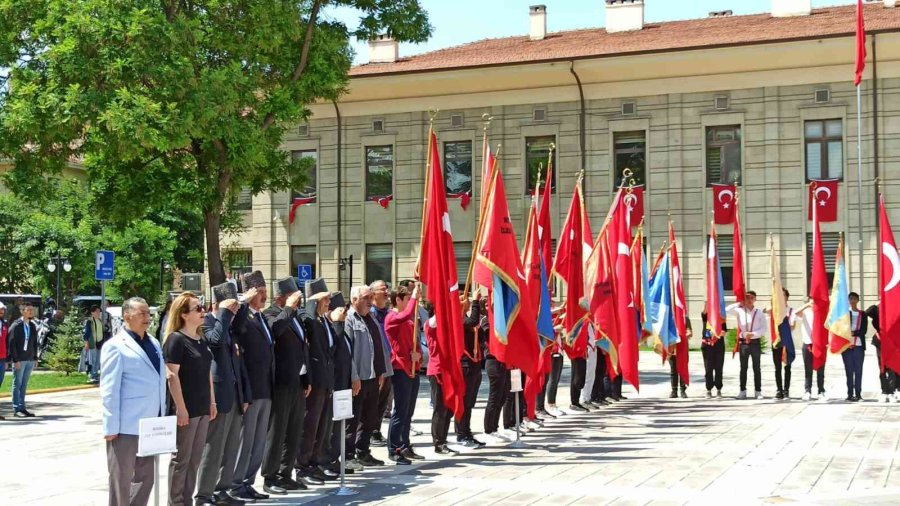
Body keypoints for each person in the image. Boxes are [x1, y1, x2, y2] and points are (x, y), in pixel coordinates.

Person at [101, 297, 167, 506]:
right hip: (125, 426)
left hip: (150, 423)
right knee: (121, 479)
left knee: (145, 478)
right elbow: (109, 389)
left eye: (148, 313)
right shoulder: (115, 346)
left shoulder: (154, 343)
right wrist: (111, 426)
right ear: (127, 316)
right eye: (142, 314)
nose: (147, 318)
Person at [195, 282, 252, 506]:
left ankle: (222, 490)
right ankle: (204, 495)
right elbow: (216, 342)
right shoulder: (208, 321)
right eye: (231, 307)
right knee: (213, 448)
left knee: (230, 447)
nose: (234, 311)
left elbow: (239, 340)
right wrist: (224, 312)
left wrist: (241, 306)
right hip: (218, 395)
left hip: (234, 393)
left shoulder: (229, 324)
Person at [162, 292, 216, 506]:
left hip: (203, 406)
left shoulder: (200, 339)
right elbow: (172, 377)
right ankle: (175, 502)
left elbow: (207, 374)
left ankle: (187, 500)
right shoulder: (176, 340)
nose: (203, 311)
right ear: (184, 315)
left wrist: (212, 402)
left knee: (195, 459)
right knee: (181, 460)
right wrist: (180, 408)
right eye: (198, 309)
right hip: (187, 408)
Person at [260, 277, 311, 493]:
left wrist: (306, 378)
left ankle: (285, 472)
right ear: (280, 297)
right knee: (277, 431)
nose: (297, 301)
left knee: (294, 429)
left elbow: (303, 346)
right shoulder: (271, 314)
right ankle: (270, 476)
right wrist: (289, 309)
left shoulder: (295, 316)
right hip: (281, 382)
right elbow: (276, 330)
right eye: (292, 296)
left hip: (297, 381)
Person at [228, 271, 275, 501]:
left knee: (258, 441)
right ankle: (236, 484)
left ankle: (248, 481)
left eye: (266, 291)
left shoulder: (261, 317)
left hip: (266, 387)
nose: (264, 296)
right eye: (260, 292)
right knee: (245, 442)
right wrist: (244, 301)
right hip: (252, 389)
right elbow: (234, 328)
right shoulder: (243, 317)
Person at [296, 279, 339, 483]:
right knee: (310, 426)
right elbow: (307, 321)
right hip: (315, 380)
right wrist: (311, 302)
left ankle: (314, 463)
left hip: (327, 380)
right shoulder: (308, 318)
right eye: (325, 299)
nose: (329, 302)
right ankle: (302, 467)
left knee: (322, 426)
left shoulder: (324, 320)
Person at [346, 285, 390, 467]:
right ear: (354, 299)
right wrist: (353, 376)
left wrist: (381, 372)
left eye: (371, 297)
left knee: (369, 417)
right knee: (353, 419)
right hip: (358, 378)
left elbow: (378, 347)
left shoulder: (370, 318)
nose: (370, 302)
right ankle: (348, 455)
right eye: (366, 298)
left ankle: (363, 451)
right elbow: (347, 352)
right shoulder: (349, 319)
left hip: (373, 377)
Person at [385, 284, 424, 464]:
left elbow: (415, 343)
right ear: (398, 300)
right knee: (400, 411)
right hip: (400, 369)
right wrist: (415, 297)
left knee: (408, 411)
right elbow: (405, 314)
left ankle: (405, 445)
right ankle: (394, 449)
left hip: (412, 368)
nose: (411, 303)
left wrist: (418, 355)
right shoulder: (392, 318)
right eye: (407, 299)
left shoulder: (408, 322)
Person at [325, 300, 358, 474]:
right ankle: (327, 460)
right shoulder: (332, 329)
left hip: (344, 385)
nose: (344, 315)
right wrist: (337, 323)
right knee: (330, 428)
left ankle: (335, 458)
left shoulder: (342, 331)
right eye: (341, 312)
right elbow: (334, 351)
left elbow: (347, 356)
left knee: (340, 426)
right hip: (334, 385)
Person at [455, 291, 486, 448]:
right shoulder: (457, 319)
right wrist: (475, 301)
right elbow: (473, 321)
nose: (466, 300)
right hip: (464, 364)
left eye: (467, 298)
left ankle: (467, 432)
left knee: (470, 402)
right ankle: (461, 434)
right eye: (462, 298)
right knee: (464, 401)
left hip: (474, 364)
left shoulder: (466, 318)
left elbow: (479, 334)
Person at [726, 290, 766, 399]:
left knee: (756, 368)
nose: (749, 300)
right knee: (743, 368)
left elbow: (763, 329)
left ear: (755, 300)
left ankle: (758, 391)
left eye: (751, 298)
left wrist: (753, 334)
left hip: (755, 343)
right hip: (744, 343)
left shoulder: (759, 312)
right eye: (747, 298)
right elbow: (727, 310)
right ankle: (742, 390)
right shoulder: (739, 311)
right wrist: (739, 303)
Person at [368, 279, 394, 447]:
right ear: (373, 294)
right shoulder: (371, 314)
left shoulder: (388, 313)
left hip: (390, 363)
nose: (386, 292)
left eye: (386, 289)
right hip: (378, 365)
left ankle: (376, 430)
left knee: (384, 401)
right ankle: (370, 432)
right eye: (382, 289)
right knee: (374, 401)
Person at [483, 313, 511, 441]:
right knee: (494, 397)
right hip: (493, 361)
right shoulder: (486, 321)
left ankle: (495, 427)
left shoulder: (501, 320)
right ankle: (489, 429)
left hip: (503, 361)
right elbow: (488, 334)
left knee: (502, 396)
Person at [8, 302, 39, 417]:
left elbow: (34, 343)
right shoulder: (16, 325)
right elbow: (11, 343)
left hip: (29, 359)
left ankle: (22, 407)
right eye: (28, 310)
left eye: (32, 310)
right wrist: (15, 360)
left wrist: (35, 357)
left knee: (24, 384)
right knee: (17, 383)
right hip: (19, 360)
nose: (31, 312)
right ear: (22, 311)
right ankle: (17, 409)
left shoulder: (32, 325)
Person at [792, 300, 824, 400]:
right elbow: (795, 313)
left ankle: (821, 391)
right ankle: (807, 391)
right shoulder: (806, 312)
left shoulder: (821, 311)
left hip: (819, 344)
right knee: (808, 369)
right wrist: (807, 305)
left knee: (820, 369)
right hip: (807, 343)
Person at [766, 289, 795, 400]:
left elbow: (792, 326)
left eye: (783, 295)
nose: (781, 298)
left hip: (787, 341)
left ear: (787, 297)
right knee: (777, 367)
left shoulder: (791, 310)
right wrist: (773, 302)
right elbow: (766, 310)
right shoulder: (774, 310)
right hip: (776, 342)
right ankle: (779, 390)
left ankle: (786, 390)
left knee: (787, 367)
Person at [866, 304, 898, 403]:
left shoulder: (893, 310)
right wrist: (881, 304)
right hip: (880, 341)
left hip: (892, 342)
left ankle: (892, 391)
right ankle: (885, 391)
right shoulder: (876, 311)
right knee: (882, 367)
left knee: (892, 367)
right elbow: (868, 312)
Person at [842, 292, 867, 402]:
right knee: (849, 370)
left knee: (858, 370)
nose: (852, 300)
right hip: (846, 346)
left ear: (857, 300)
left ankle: (858, 393)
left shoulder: (862, 314)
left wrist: (854, 333)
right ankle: (849, 394)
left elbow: (864, 330)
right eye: (850, 298)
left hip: (858, 345)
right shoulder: (845, 313)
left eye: (854, 298)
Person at [701, 308, 727, 398]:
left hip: (719, 346)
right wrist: (709, 301)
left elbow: (724, 330)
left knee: (719, 368)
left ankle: (719, 389)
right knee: (708, 369)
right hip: (707, 346)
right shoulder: (706, 317)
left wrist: (722, 333)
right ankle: (708, 389)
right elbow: (704, 312)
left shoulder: (721, 319)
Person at [668, 319, 693, 399]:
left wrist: (681, 336)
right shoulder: (669, 317)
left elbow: (690, 333)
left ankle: (683, 390)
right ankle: (674, 390)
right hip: (672, 347)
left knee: (682, 369)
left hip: (682, 348)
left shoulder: (685, 318)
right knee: (673, 371)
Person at [83, 305, 104, 384]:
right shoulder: (89, 321)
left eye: (99, 311)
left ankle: (95, 374)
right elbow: (87, 332)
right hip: (93, 343)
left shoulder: (100, 321)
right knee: (93, 359)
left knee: (98, 360)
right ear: (92, 312)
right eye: (97, 311)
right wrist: (86, 342)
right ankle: (91, 375)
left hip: (100, 342)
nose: (98, 313)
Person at [0, 302, 9, 420]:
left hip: (2, 359)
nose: (1, 311)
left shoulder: (4, 324)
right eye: (0, 310)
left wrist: (7, 359)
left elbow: (6, 342)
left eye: (2, 310)